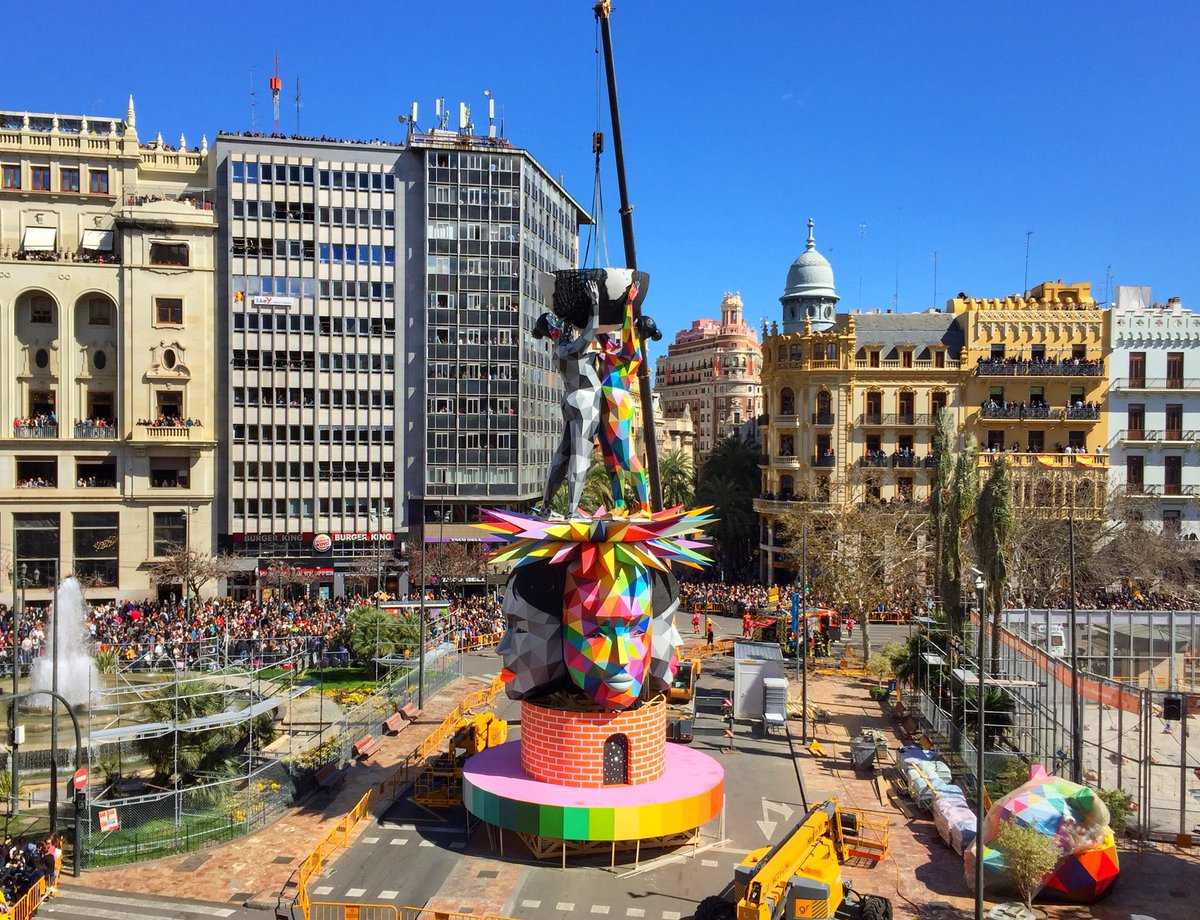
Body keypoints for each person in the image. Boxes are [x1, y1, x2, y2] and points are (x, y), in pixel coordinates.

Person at [532, 281, 601, 518]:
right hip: (585, 403)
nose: (564, 326)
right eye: (558, 325)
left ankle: (546, 507)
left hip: (573, 402)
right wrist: (595, 304)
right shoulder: (567, 350)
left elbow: (577, 334)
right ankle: (572, 511)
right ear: (553, 331)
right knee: (579, 457)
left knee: (563, 456)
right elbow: (591, 332)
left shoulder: (560, 349)